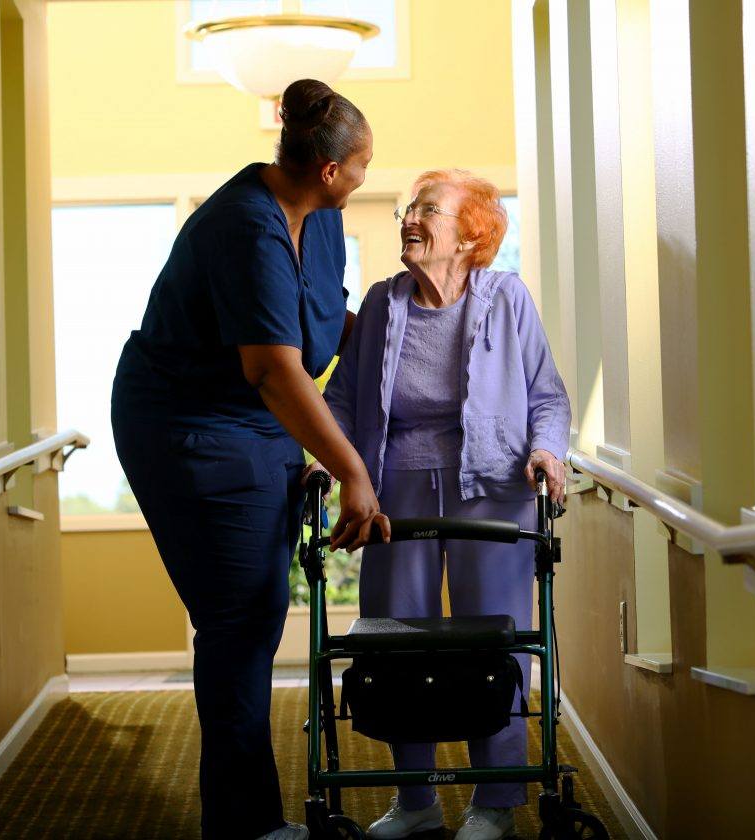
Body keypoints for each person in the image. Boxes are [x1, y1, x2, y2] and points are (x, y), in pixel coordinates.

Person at [111, 79, 391, 840]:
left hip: (256, 421)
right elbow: (273, 368)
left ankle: (249, 820)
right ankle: (244, 828)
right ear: (331, 170)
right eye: (364, 164)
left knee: (259, 610)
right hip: (188, 425)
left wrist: (424, 344)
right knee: (238, 619)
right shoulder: (245, 224)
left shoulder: (322, 220)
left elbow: (329, 322)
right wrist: (353, 472)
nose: (368, 176)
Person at [318, 170, 571, 840]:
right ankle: (416, 800)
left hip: (493, 488)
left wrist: (549, 451)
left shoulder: (506, 297)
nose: (409, 219)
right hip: (394, 489)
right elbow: (342, 398)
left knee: (497, 641)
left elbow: (546, 395)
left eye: (427, 210)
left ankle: (494, 802)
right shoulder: (380, 304)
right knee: (399, 641)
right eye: (409, 209)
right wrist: (327, 460)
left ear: (469, 234)